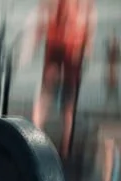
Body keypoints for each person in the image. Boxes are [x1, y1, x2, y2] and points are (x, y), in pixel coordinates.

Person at [27, 0, 97, 159]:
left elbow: (89, 15)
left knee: (63, 102)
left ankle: (62, 150)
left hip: (70, 44)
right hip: (63, 42)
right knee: (53, 98)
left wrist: (87, 46)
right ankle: (43, 144)